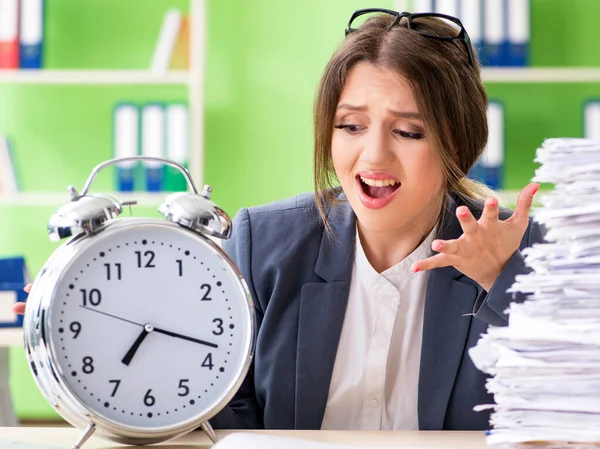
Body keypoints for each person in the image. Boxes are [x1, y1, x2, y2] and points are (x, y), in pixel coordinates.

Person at [16, 8, 544, 431]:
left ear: (459, 142)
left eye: (409, 132)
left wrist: (501, 283)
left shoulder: (520, 251)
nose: (374, 157)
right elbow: (220, 411)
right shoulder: (265, 242)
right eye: (351, 126)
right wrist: (91, 326)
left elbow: (554, 410)